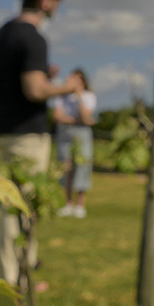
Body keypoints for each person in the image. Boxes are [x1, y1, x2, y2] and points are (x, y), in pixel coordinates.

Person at [0, 0, 80, 285]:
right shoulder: (34, 38)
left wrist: (42, 74)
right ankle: (11, 287)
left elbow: (20, 80)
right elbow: (35, 90)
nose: (58, 4)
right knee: (19, 211)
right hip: (28, 135)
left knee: (15, 208)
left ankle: (23, 278)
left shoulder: (1, 34)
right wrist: (67, 87)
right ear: (45, 0)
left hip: (3, 132)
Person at [52, 68, 97, 219]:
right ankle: (68, 204)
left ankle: (80, 205)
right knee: (66, 168)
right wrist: (77, 121)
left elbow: (85, 115)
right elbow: (57, 116)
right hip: (65, 135)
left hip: (82, 135)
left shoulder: (88, 96)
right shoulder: (61, 97)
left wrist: (78, 96)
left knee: (82, 167)